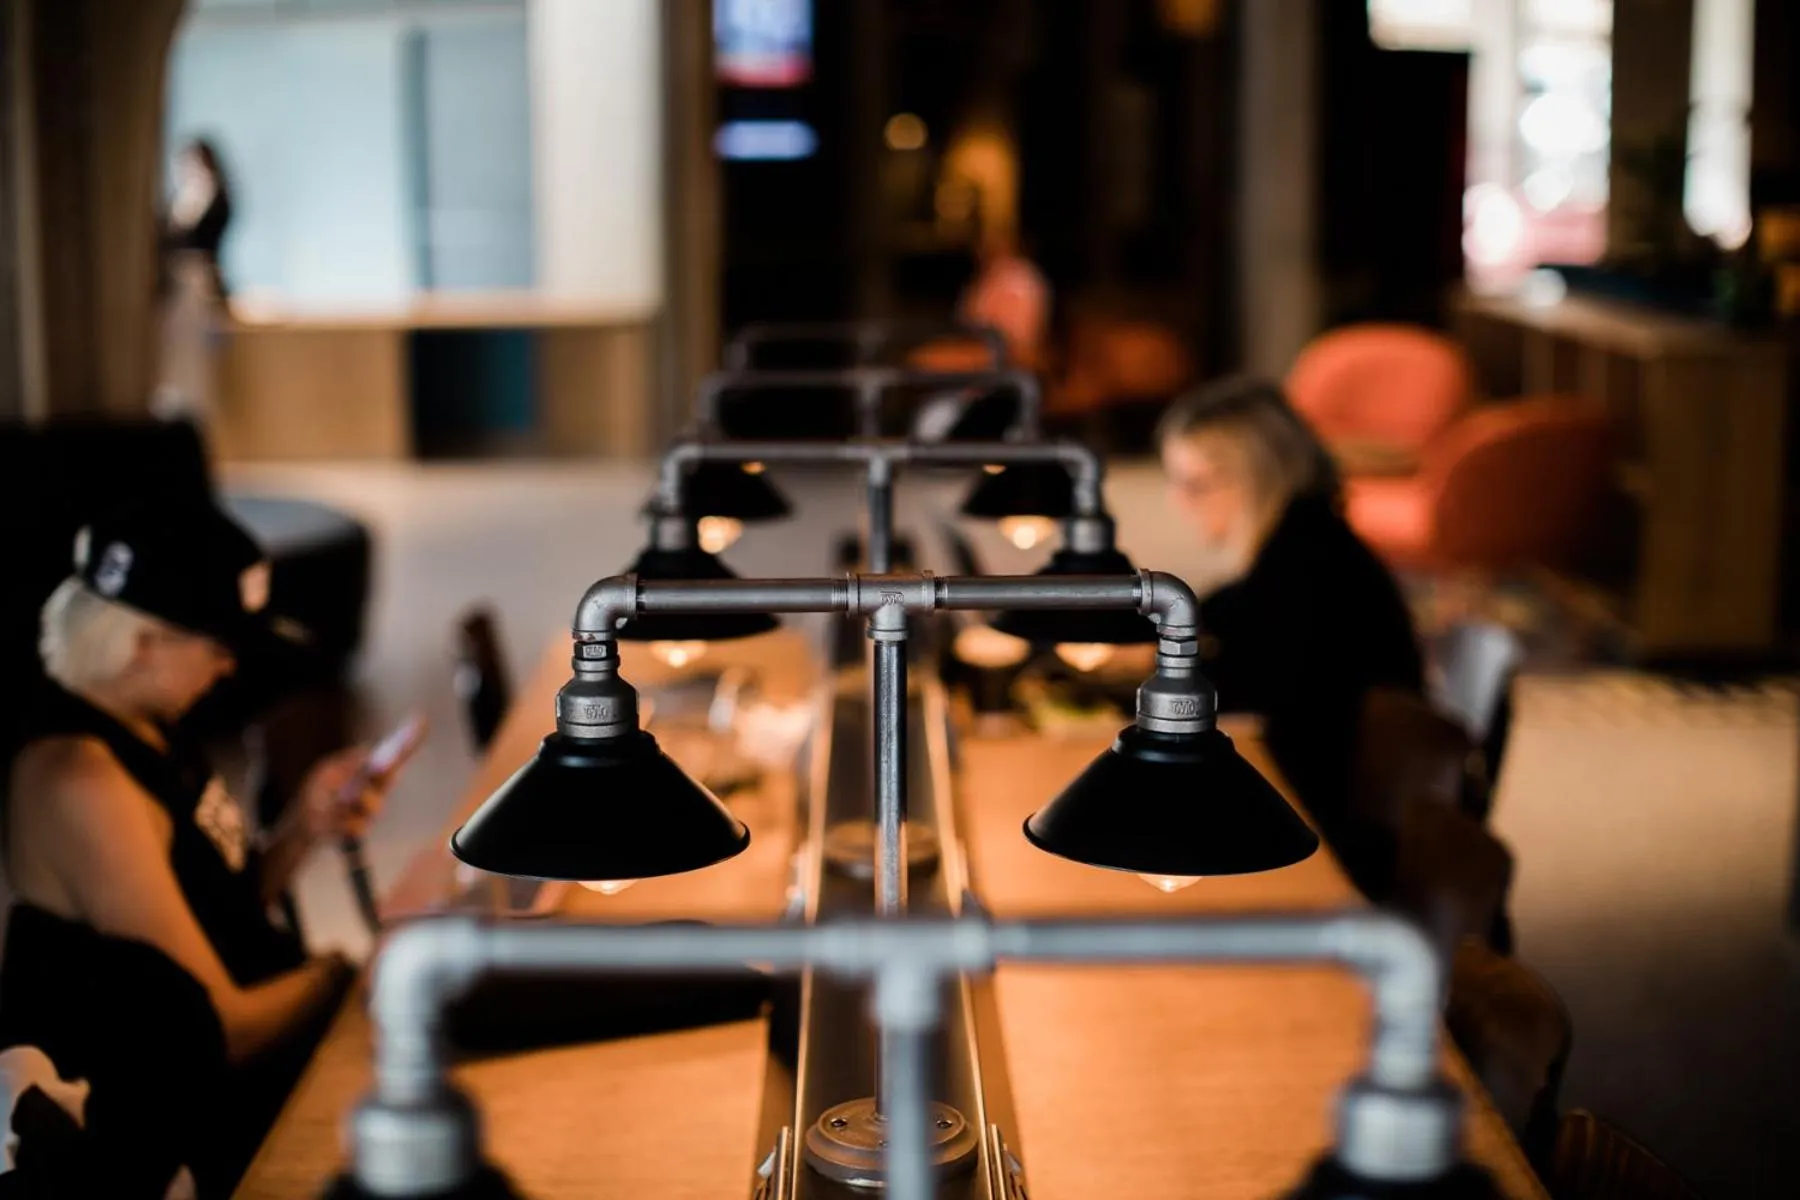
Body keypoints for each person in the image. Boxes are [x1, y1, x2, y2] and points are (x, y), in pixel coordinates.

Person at [0, 500, 386, 1196]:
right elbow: (222, 1030)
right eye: (218, 645)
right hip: (178, 1142)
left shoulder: (144, 719)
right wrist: (343, 973)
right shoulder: (81, 782)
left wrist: (304, 824)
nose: (230, 667)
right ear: (142, 642)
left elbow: (215, 909)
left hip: (235, 1085)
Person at [1156, 376, 1425, 865]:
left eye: (1194, 484)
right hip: (1329, 798)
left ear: (1256, 476)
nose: (1179, 503)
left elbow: (1249, 700)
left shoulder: (1304, 571)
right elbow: (1227, 610)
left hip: (1323, 828)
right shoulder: (1309, 540)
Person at [156, 139, 233, 426]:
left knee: (197, 360)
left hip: (198, 281)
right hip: (179, 283)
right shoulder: (186, 198)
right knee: (178, 360)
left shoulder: (215, 198)